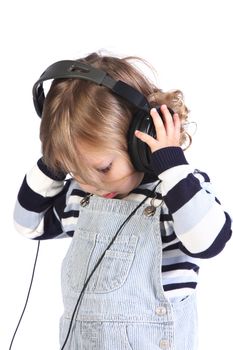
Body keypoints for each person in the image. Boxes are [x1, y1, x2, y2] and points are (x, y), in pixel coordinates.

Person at [14, 52, 232, 350]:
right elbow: (29, 223)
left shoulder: (175, 195)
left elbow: (210, 241)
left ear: (139, 136)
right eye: (75, 170)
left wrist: (173, 168)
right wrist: (54, 161)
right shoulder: (82, 196)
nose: (92, 182)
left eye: (103, 167)